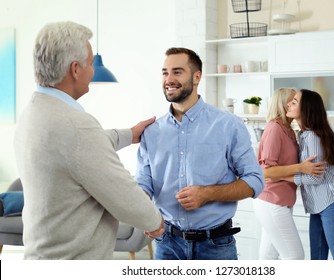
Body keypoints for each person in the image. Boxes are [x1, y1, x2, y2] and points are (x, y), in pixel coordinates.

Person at [13, 21, 163, 260]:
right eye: (91, 63)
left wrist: (130, 134)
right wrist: (155, 221)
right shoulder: (77, 126)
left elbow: (77, 149)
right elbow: (124, 194)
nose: (93, 71)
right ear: (75, 69)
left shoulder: (33, 113)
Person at [135, 47, 264, 260]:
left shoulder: (227, 125)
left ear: (197, 77)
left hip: (216, 246)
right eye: (165, 72)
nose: (169, 79)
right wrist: (142, 212)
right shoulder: (151, 131)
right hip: (167, 245)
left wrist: (207, 194)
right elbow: (143, 182)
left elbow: (255, 181)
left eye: (177, 72)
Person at [253, 87, 326, 260]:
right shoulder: (274, 129)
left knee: (268, 257)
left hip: (280, 201)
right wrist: (301, 168)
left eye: (296, 102)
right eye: (293, 101)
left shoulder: (289, 131)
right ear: (284, 104)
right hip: (272, 202)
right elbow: (266, 171)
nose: (295, 104)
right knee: (295, 257)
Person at [285, 89, 334, 260]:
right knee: (317, 259)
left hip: (332, 204)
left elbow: (314, 177)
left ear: (306, 108)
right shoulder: (304, 135)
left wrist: (282, 176)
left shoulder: (314, 136)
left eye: (294, 102)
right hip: (319, 206)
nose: (289, 104)